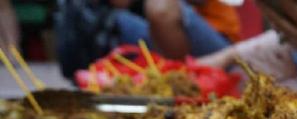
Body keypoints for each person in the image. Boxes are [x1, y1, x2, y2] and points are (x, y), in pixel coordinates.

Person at [55, 0, 238, 78]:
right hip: (162, 38)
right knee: (102, 14)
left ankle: (181, 80)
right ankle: (89, 75)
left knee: (160, 6)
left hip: (218, 43)